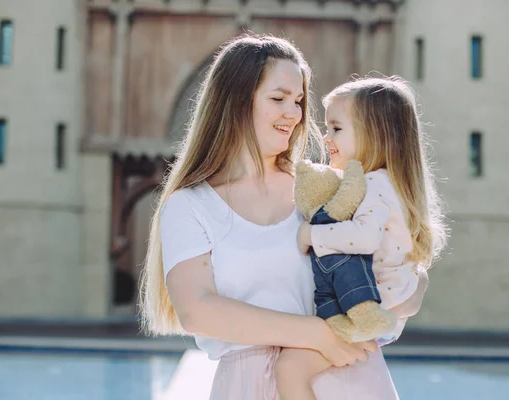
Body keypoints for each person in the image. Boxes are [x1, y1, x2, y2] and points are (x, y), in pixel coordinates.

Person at [140, 33, 430, 399]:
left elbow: (398, 269)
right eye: (278, 99)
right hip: (247, 385)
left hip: (350, 376)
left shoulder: (326, 187)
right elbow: (198, 311)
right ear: (235, 102)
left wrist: (415, 289)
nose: (293, 115)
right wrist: (315, 334)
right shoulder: (190, 205)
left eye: (298, 101)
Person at [274, 76, 448, 400]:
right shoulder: (387, 183)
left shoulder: (375, 185)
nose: (326, 138)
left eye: (336, 129)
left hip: (369, 308)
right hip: (385, 308)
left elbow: (364, 238)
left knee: (290, 369)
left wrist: (311, 234)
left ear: (375, 134)